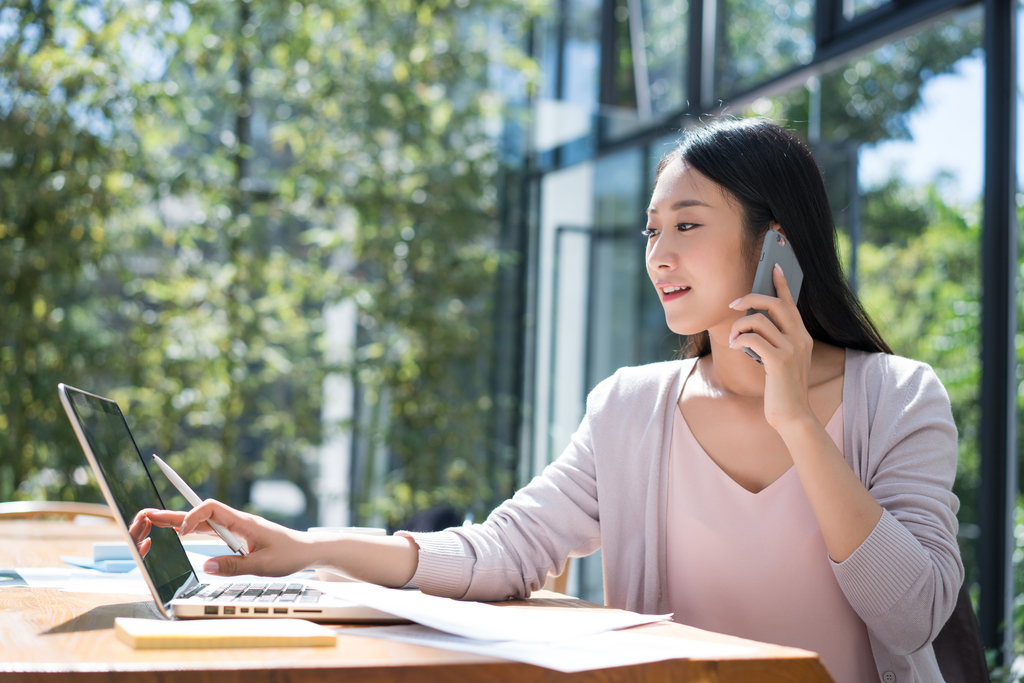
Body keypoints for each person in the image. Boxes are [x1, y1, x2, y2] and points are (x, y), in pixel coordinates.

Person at [142, 118, 962, 683]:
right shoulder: (630, 409)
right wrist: (310, 548)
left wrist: (795, 420)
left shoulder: (899, 397)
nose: (659, 254)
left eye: (687, 224)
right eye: (651, 230)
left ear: (775, 241)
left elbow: (911, 614)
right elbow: (504, 551)